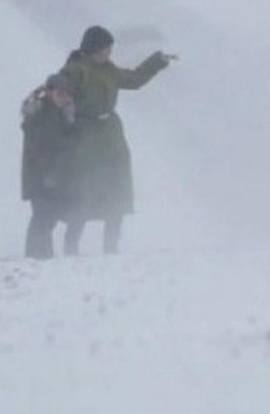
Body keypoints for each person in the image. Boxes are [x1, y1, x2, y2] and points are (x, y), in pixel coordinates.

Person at [60, 25, 174, 255]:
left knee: (116, 190)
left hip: (110, 136)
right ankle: (71, 246)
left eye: (109, 49)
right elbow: (60, 94)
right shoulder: (76, 70)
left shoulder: (109, 70)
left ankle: (111, 246)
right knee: (84, 190)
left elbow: (134, 79)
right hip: (85, 136)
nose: (108, 53)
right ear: (92, 48)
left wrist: (156, 62)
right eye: (104, 49)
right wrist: (68, 114)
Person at [21, 73, 78, 260]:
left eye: (68, 95)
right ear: (50, 93)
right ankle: (36, 256)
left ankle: (41, 256)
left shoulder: (57, 112)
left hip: (52, 174)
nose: (65, 98)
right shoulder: (41, 114)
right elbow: (45, 146)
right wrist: (49, 173)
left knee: (48, 217)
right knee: (43, 217)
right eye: (61, 94)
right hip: (41, 174)